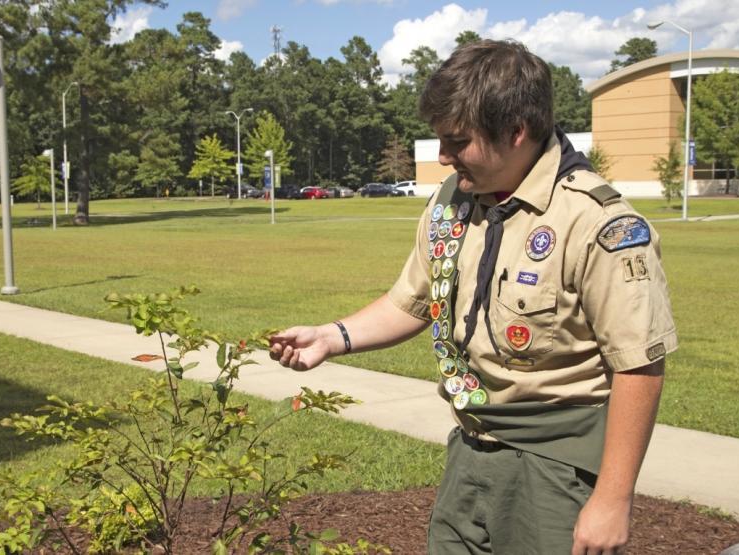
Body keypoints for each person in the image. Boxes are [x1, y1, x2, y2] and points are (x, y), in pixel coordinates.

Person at [269, 39, 676, 555]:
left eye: (456, 141)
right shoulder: (454, 202)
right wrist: (332, 336)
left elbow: (639, 365)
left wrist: (613, 500)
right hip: (471, 448)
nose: (442, 157)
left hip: (556, 468)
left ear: (515, 131)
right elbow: (413, 300)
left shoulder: (597, 224)